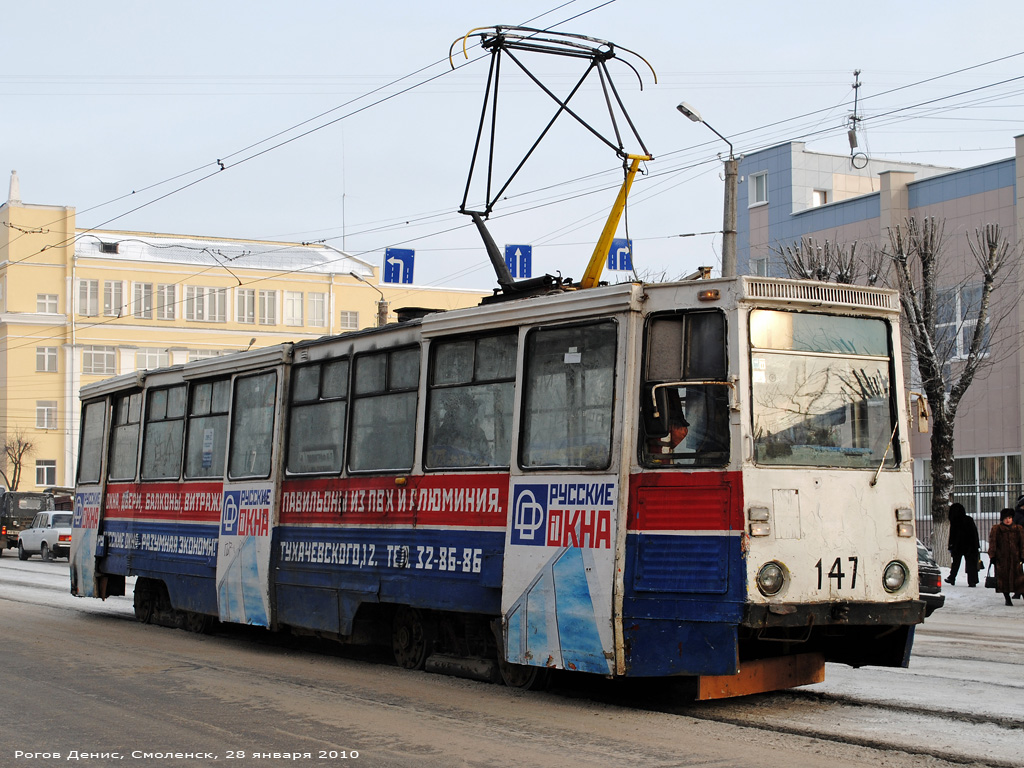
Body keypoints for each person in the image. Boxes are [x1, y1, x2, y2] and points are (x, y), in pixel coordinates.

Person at [988, 508, 1024, 606]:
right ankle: (1007, 599)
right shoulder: (997, 529)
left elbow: (1022, 544)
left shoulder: (1018, 529)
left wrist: (1022, 556)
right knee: (1004, 580)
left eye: (1009, 518)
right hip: (1002, 560)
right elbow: (993, 543)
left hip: (1015, 559)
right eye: (1005, 518)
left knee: (1020, 580)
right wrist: (993, 556)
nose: (1007, 520)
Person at [945, 503, 980, 587]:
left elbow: (952, 535)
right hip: (970, 546)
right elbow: (974, 533)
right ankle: (972, 581)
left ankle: (952, 578)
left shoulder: (955, 521)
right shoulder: (968, 520)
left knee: (956, 563)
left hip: (958, 546)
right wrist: (976, 545)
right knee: (971, 564)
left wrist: (951, 545)